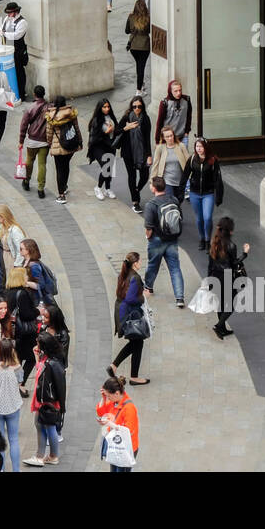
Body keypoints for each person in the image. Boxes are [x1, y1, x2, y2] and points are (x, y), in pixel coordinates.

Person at [142, 176, 185, 308]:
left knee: (153, 265)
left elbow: (148, 227)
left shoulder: (151, 205)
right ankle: (179, 298)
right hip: (172, 239)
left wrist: (148, 237)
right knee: (175, 268)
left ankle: (148, 287)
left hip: (157, 240)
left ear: (154, 188)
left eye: (150, 184)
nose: (150, 186)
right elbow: (180, 217)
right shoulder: (173, 199)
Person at [25, 331, 66, 467]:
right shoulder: (52, 359)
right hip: (48, 400)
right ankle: (50, 456)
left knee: (45, 426)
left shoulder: (50, 363)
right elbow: (39, 370)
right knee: (44, 426)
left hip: (46, 401)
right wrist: (37, 356)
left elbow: (42, 374)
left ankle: (42, 456)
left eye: (38, 344)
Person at [207, 216, 249, 339]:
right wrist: (245, 253)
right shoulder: (231, 245)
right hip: (227, 278)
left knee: (220, 304)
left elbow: (210, 264)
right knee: (231, 303)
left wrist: (209, 280)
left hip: (215, 276)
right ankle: (219, 326)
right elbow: (234, 263)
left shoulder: (214, 243)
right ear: (229, 231)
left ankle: (223, 328)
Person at [0, 339, 24, 471]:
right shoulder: (17, 368)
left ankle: (0, 469)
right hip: (13, 406)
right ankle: (16, 470)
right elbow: (20, 382)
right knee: (14, 440)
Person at [111, 252, 149, 384]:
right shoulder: (136, 277)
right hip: (129, 313)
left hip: (120, 310)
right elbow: (131, 298)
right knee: (137, 342)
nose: (141, 263)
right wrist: (144, 296)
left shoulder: (123, 274)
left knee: (136, 343)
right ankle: (132, 376)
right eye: (139, 261)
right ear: (135, 264)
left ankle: (115, 367)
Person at [181, 137, 224, 250]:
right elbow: (185, 175)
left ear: (205, 147)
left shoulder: (213, 160)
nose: (199, 149)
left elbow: (218, 179)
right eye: (197, 146)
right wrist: (180, 192)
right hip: (194, 193)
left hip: (208, 194)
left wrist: (219, 196)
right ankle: (201, 238)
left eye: (201, 146)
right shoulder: (192, 159)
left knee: (208, 217)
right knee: (199, 218)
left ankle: (207, 239)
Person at [97, 376, 140, 471]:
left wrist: (111, 425)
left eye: (108, 396)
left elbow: (129, 432)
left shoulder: (129, 408)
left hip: (126, 449)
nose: (108, 398)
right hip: (116, 445)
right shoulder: (115, 401)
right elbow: (101, 412)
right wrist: (103, 398)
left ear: (116, 393)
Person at [118, 96, 153, 213]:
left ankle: (136, 190)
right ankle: (135, 201)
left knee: (144, 176)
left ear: (142, 106)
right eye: (134, 106)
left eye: (139, 106)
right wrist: (126, 128)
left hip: (142, 152)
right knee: (132, 176)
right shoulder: (126, 117)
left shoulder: (146, 119)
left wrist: (149, 155)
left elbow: (147, 138)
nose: (137, 108)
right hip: (128, 153)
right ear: (131, 107)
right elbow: (117, 131)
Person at [8, 267, 40, 388]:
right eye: (25, 275)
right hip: (26, 333)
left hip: (13, 331)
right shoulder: (23, 294)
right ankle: (20, 382)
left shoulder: (8, 293)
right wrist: (38, 311)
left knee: (18, 358)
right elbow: (27, 315)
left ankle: (16, 382)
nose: (27, 277)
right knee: (32, 357)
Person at [45, 95, 79, 204]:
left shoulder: (51, 116)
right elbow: (76, 128)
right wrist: (80, 141)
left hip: (57, 146)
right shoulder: (71, 113)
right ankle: (64, 186)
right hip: (70, 144)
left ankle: (61, 195)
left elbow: (49, 133)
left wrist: (50, 143)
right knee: (66, 166)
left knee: (59, 169)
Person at [18, 85, 50, 198]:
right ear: (44, 94)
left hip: (32, 140)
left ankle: (26, 181)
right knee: (42, 164)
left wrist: (21, 140)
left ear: (34, 94)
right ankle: (41, 188)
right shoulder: (49, 107)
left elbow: (24, 125)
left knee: (29, 161)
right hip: (45, 141)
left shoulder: (30, 107)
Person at [87, 98, 120, 200]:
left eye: (108, 106)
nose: (107, 109)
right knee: (106, 167)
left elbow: (117, 130)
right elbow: (94, 137)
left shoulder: (111, 117)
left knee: (110, 169)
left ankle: (108, 189)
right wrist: (106, 132)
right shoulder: (96, 120)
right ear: (100, 108)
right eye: (104, 107)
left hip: (110, 146)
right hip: (98, 147)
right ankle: (98, 187)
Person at [150, 126, 189, 199]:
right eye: (167, 136)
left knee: (179, 200)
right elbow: (155, 165)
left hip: (180, 181)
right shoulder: (160, 148)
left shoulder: (181, 146)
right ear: (163, 138)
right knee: (170, 200)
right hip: (166, 181)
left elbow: (188, 162)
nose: (170, 138)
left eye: (171, 135)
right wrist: (152, 182)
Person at [0, 1, 29, 99]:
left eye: (10, 13)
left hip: (18, 51)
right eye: (7, 13)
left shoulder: (22, 22)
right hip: (7, 49)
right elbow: (2, 29)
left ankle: (21, 93)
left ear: (16, 12)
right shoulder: (7, 19)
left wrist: (4, 33)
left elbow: (16, 36)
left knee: (19, 72)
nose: (8, 15)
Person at [154, 80, 193, 147]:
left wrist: (187, 132)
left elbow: (189, 116)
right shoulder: (164, 103)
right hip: (168, 138)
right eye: (175, 91)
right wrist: (157, 141)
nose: (178, 93)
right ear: (170, 91)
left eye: (180, 90)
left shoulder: (186, 100)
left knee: (183, 157)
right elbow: (159, 122)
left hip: (182, 137)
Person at [125, 0, 151, 95]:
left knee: (139, 66)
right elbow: (149, 31)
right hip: (144, 47)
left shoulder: (131, 17)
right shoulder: (148, 18)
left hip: (133, 47)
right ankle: (139, 90)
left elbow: (126, 31)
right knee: (141, 67)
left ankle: (141, 84)